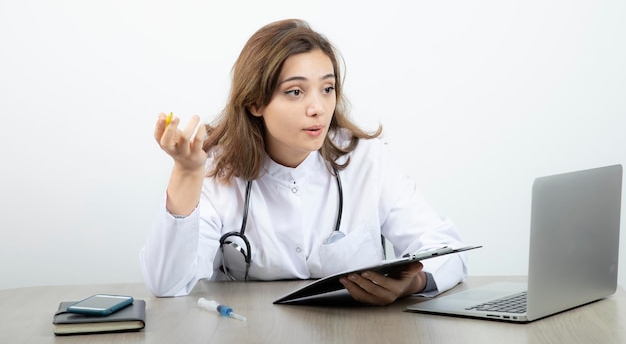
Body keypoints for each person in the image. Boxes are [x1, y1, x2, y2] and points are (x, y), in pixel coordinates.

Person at [140, 19, 467, 305]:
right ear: (255, 100)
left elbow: (447, 248)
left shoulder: (368, 160)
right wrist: (187, 171)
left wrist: (414, 283)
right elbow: (168, 284)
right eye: (296, 92)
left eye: (327, 88)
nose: (318, 108)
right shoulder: (213, 171)